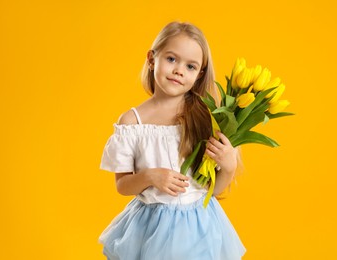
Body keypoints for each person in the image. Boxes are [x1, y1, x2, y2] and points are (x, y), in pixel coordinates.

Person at [98, 21, 246, 260]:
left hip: (200, 227)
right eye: (171, 59)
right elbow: (121, 186)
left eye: (190, 66)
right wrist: (150, 177)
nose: (179, 70)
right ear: (151, 59)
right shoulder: (132, 123)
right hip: (150, 229)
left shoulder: (205, 117)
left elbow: (212, 191)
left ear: (199, 75)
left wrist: (228, 167)